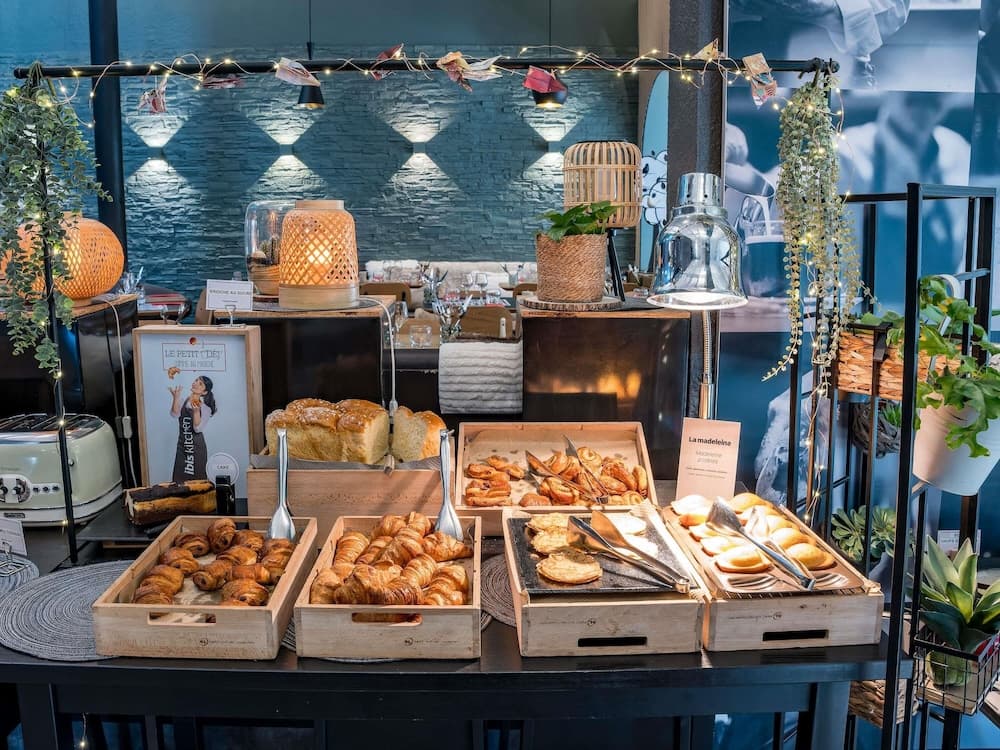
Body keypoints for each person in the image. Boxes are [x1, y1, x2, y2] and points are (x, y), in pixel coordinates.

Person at [169, 376, 217, 482]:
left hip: (196, 448)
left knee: (197, 482)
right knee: (179, 480)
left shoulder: (205, 409)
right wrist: (176, 398)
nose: (196, 383)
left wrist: (196, 412)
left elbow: (197, 429)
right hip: (182, 447)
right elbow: (174, 414)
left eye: (200, 383)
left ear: (204, 392)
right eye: (196, 380)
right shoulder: (183, 401)